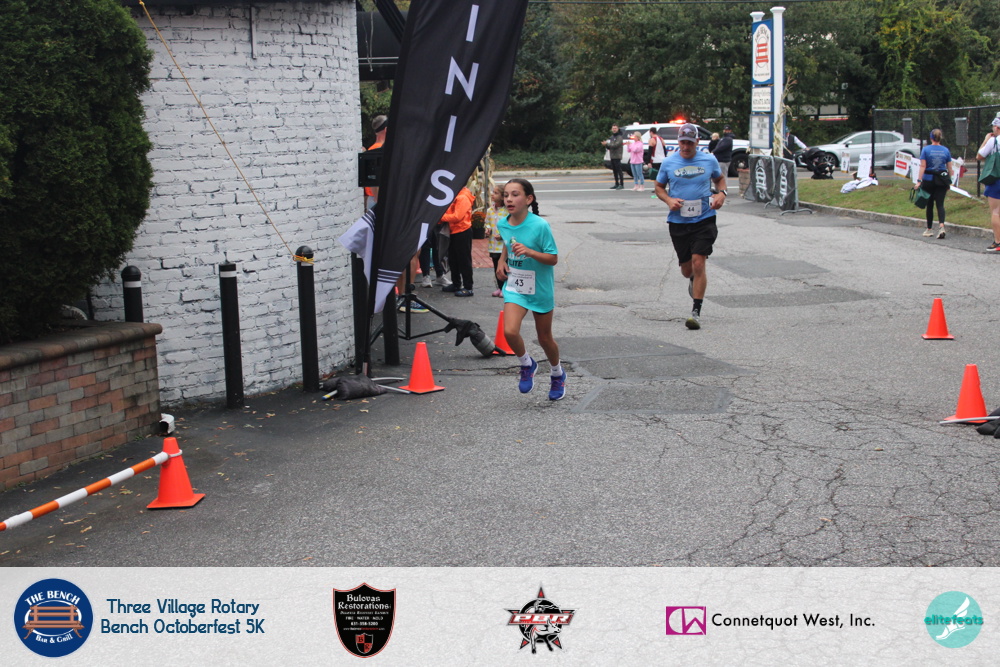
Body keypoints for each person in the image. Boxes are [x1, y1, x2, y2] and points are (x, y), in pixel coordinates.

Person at [495, 178, 566, 401]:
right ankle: (527, 364)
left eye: (515, 195)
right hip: (516, 285)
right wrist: (501, 260)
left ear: (528, 199)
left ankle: (557, 374)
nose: (509, 199)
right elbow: (508, 242)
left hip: (540, 287)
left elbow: (553, 258)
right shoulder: (503, 223)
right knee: (509, 331)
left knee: (544, 338)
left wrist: (530, 252)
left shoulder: (540, 226)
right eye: (506, 195)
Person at [654, 123, 727, 330]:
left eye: (690, 143)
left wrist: (722, 194)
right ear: (679, 142)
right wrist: (669, 200)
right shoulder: (669, 162)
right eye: (683, 142)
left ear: (697, 141)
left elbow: (720, 179)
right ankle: (693, 279)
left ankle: (696, 312)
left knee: (699, 262)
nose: (686, 147)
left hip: (704, 219)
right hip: (678, 221)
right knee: (687, 270)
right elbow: (658, 187)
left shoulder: (709, 160)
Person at [913, 128, 953, 239]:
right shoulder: (946, 150)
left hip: (928, 179)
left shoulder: (926, 150)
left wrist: (919, 181)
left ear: (931, 138)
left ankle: (929, 229)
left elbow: (923, 166)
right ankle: (941, 227)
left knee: (929, 204)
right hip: (942, 180)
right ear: (940, 138)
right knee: (940, 204)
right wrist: (949, 182)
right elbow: (950, 167)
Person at [440, 187, 476, 296]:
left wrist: (440, 217)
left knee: (464, 260)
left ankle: (468, 287)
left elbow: (457, 216)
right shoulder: (456, 194)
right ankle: (456, 284)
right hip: (454, 231)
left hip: (462, 231)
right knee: (453, 259)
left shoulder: (462, 197)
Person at [979, 115, 1000, 251]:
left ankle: (998, 241)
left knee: (996, 211)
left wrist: (986, 140)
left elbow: (979, 155)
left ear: (997, 127)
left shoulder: (994, 141)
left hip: (996, 178)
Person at [485, 185, 507, 297]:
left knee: (504, 267)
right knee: (496, 267)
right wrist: (487, 228)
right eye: (493, 192)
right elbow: (487, 222)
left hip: (503, 247)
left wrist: (502, 236)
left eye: (496, 193)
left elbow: (510, 227)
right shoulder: (490, 210)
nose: (492, 195)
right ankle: (499, 287)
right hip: (493, 245)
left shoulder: (507, 211)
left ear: (503, 196)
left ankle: (506, 288)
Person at [364, 115, 387, 211]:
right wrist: (379, 199)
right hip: (378, 199)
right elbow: (373, 179)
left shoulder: (370, 149)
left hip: (372, 199)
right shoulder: (379, 151)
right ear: (386, 129)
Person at [602, 124, 625, 189]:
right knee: (614, 171)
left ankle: (621, 184)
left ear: (618, 129)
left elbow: (616, 145)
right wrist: (606, 145)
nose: (614, 129)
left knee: (619, 170)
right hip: (612, 156)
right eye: (613, 128)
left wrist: (607, 144)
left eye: (615, 128)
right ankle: (616, 183)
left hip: (617, 156)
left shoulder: (619, 137)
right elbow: (610, 146)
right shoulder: (612, 137)